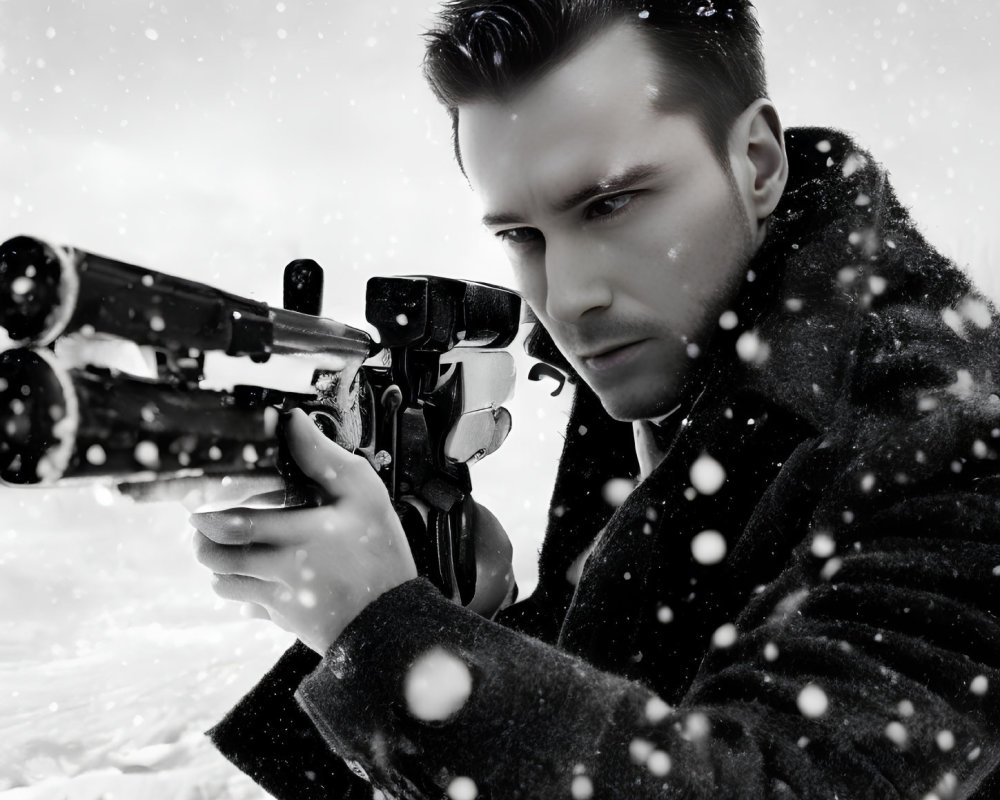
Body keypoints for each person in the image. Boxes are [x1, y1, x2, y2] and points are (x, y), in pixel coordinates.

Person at [190, 1, 1000, 797]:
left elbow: (770, 780)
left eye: (609, 205)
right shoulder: (682, 351)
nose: (568, 299)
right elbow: (657, 687)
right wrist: (467, 618)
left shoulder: (957, 441)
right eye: (520, 236)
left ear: (756, 162)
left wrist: (382, 633)